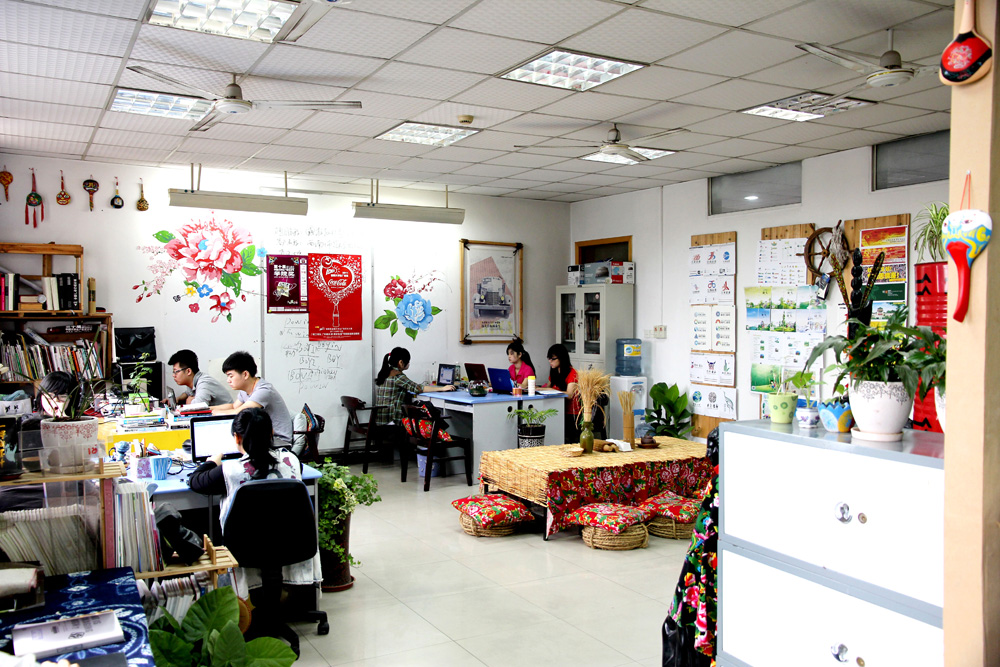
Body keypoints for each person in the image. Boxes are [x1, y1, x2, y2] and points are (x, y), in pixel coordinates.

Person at [189, 408, 318, 596]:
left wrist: (211, 462)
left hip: (245, 548)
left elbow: (195, 481)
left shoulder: (230, 470)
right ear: (272, 433)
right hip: (291, 543)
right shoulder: (292, 460)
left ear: (236, 438)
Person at [212, 351, 293, 444]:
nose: (228, 380)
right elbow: (234, 406)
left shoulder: (263, 390)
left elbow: (237, 412)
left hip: (279, 441)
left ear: (245, 374)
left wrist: (216, 413)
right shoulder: (245, 390)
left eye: (231, 376)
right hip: (264, 437)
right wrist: (208, 409)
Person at [374, 347, 453, 427]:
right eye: (408, 361)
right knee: (427, 409)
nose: (408, 363)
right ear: (401, 362)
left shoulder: (384, 373)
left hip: (380, 421)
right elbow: (418, 388)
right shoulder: (398, 376)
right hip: (392, 421)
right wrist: (442, 388)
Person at [543, 344, 581, 442]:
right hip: (557, 408)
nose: (550, 361)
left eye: (553, 359)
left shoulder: (572, 373)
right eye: (549, 359)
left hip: (571, 413)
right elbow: (548, 387)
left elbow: (569, 394)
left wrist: (553, 390)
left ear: (561, 358)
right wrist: (536, 388)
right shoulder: (554, 371)